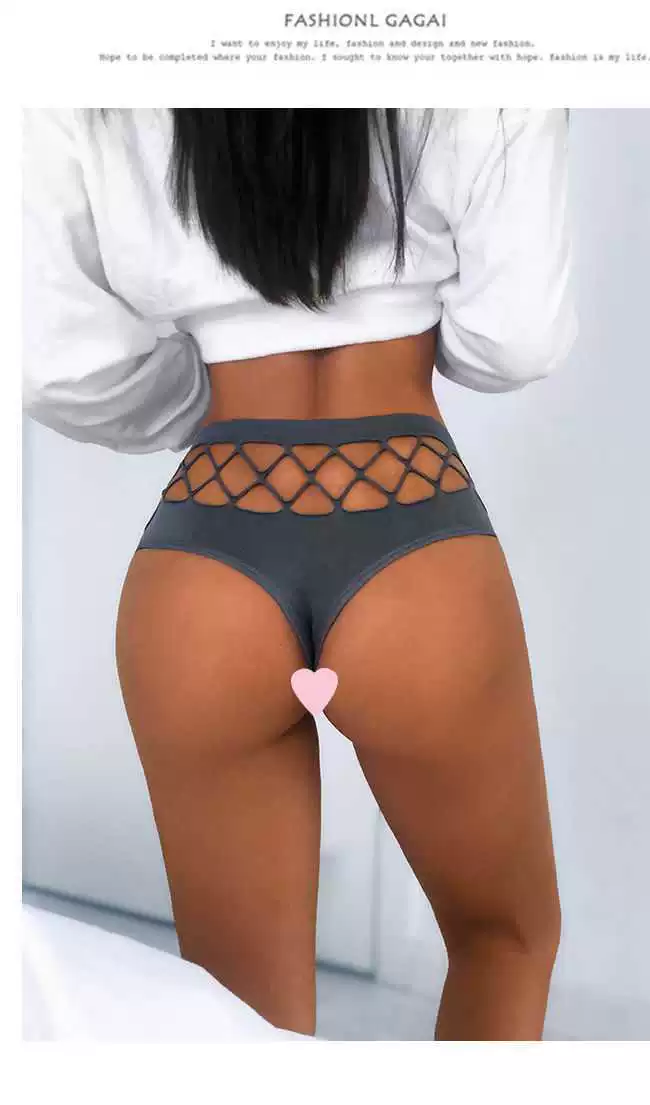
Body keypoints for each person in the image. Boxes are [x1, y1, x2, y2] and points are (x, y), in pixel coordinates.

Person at [23, 107, 579, 1041]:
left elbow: (50, 360)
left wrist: (211, 402)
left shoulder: (81, 64)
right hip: (410, 519)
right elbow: (522, 333)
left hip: (208, 547)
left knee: (242, 1022)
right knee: (505, 939)